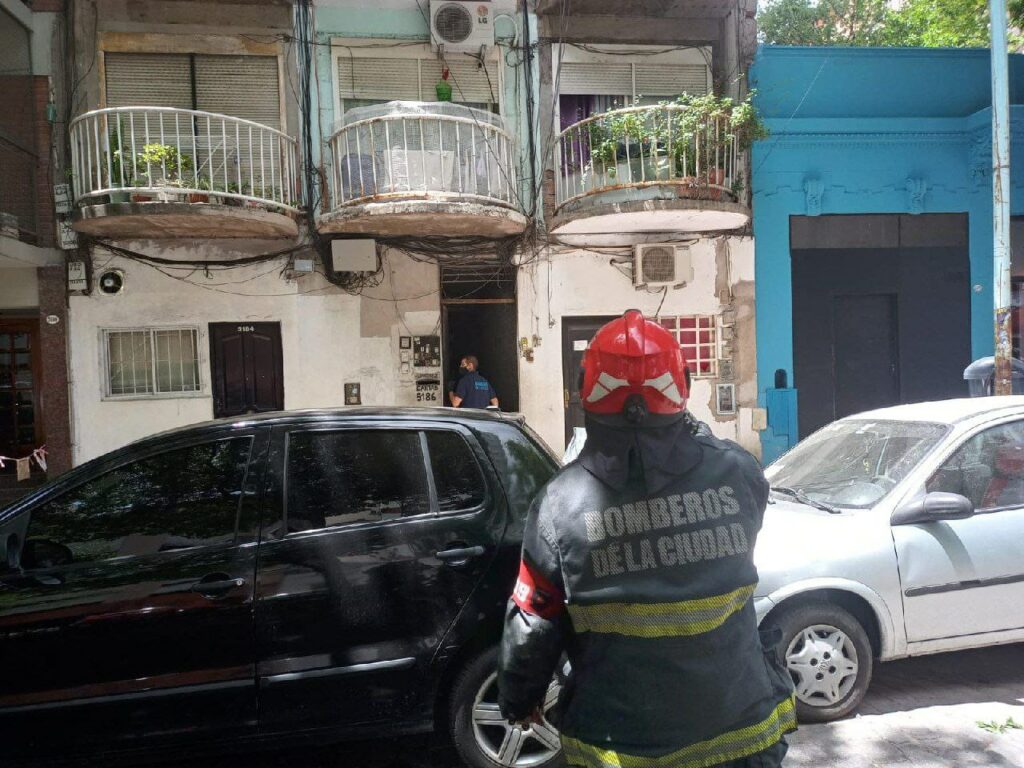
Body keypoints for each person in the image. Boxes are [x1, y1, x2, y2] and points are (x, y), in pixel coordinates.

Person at [498, 310, 795, 768]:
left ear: (584, 390)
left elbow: (533, 622)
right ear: (683, 387)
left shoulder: (558, 505)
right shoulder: (738, 472)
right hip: (743, 735)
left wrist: (519, 699)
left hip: (623, 745)